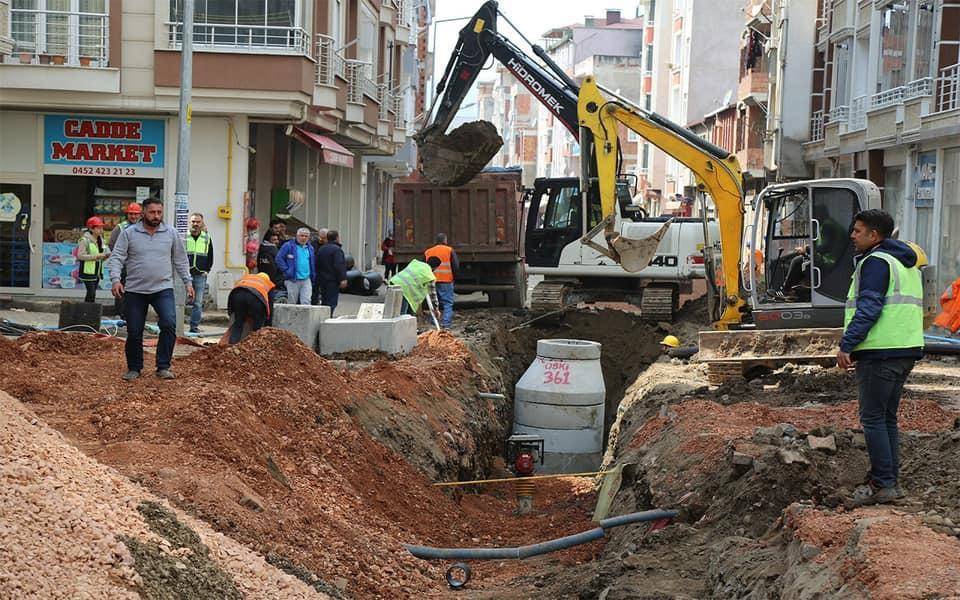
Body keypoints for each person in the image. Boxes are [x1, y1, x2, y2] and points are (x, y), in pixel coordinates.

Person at [837, 209, 924, 506]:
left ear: (874, 235)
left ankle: (883, 483)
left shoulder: (875, 263)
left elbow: (869, 308)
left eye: (858, 230)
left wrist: (847, 344)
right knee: (886, 418)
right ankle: (889, 481)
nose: (852, 235)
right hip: (905, 349)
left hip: (881, 351)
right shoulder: (905, 262)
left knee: (873, 417)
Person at [106, 197, 194, 381]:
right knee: (135, 330)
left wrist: (188, 282)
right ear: (144, 213)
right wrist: (115, 280)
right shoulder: (129, 233)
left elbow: (180, 259)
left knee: (169, 324)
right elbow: (117, 257)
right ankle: (134, 368)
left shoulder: (171, 233)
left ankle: (163, 366)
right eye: (152, 212)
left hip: (163, 289)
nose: (156, 216)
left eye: (159, 212)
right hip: (135, 290)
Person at [108, 202, 142, 318]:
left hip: (138, 265)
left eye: (136, 214)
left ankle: (132, 314)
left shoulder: (144, 227)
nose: (133, 216)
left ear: (140, 215)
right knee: (121, 289)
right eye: (131, 214)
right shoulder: (120, 228)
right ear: (127, 214)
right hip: (124, 265)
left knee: (136, 291)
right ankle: (119, 313)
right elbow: (112, 244)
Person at [225, 272, 276, 344]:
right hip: (255, 298)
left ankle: (231, 345)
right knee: (257, 328)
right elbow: (269, 307)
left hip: (237, 295)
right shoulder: (269, 284)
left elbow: (235, 291)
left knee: (238, 323)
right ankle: (255, 346)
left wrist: (231, 311)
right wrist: (268, 326)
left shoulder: (246, 277)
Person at [389, 257, 441, 326]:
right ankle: (402, 332)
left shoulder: (416, 263)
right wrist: (436, 309)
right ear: (435, 267)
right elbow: (433, 294)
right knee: (403, 316)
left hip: (394, 282)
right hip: (404, 290)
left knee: (395, 311)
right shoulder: (429, 275)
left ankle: (404, 329)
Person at [185, 213, 214, 333]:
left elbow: (210, 255)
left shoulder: (206, 237)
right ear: (189, 223)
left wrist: (207, 270)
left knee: (197, 303)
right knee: (179, 301)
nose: (195, 224)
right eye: (193, 222)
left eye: (198, 222)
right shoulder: (184, 236)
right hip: (185, 274)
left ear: (202, 223)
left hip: (200, 274)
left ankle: (194, 327)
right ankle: (174, 327)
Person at [424, 233, 459, 328]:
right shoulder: (449, 250)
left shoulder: (428, 251)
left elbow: (424, 267)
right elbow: (455, 266)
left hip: (431, 280)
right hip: (446, 280)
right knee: (447, 303)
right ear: (445, 241)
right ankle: (446, 323)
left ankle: (434, 322)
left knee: (434, 302)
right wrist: (454, 278)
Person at [275, 227, 316, 305]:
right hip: (292, 279)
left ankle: (304, 317)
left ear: (308, 238)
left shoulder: (310, 248)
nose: (303, 238)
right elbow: (279, 258)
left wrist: (313, 275)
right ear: (297, 236)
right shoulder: (288, 246)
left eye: (306, 236)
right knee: (292, 302)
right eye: (301, 235)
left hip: (306, 279)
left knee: (306, 301)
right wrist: (287, 271)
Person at [77, 216, 110, 303]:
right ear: (91, 229)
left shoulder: (101, 240)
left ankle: (88, 312)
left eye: (101, 227)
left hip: (97, 272)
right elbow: (80, 256)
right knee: (91, 293)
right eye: (98, 228)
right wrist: (97, 256)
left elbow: (101, 257)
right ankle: (87, 311)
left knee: (92, 293)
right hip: (87, 272)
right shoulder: (84, 240)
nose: (101, 230)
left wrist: (106, 256)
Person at [315, 229, 348, 313]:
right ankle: (328, 317)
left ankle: (323, 317)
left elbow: (317, 263)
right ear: (337, 238)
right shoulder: (337, 250)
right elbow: (339, 265)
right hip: (332, 280)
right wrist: (343, 279)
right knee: (331, 302)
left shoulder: (321, 249)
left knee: (324, 300)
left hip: (322, 279)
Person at [310, 228, 328, 305]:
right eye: (321, 237)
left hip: (325, 271)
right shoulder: (313, 244)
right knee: (314, 290)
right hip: (315, 270)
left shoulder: (329, 244)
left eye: (325, 237)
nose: (322, 239)